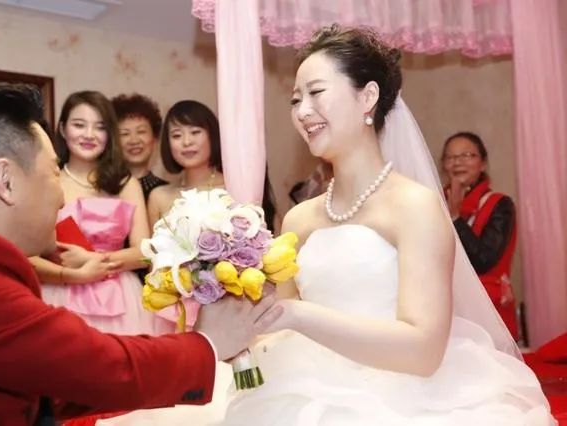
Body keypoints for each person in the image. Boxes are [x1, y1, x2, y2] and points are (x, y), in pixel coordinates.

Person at [102, 25, 554, 425]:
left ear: (367, 97)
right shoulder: (300, 217)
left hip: (403, 395)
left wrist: (300, 316)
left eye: (316, 92)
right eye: (295, 99)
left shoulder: (414, 207)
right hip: (301, 381)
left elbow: (423, 351)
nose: (302, 111)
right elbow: (277, 321)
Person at [0, 81, 281, 426]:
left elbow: (52, 383)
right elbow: (94, 366)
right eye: (53, 173)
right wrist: (208, 343)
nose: (62, 199)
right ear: (6, 180)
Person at [30, 91, 169, 336]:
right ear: (62, 129)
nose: (89, 134)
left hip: (121, 298)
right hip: (58, 293)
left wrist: (93, 260)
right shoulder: (45, 182)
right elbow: (28, 254)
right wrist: (72, 273)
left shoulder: (125, 183)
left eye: (100, 127)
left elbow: (145, 252)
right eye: (79, 125)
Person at [147, 99, 279, 232]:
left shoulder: (236, 189)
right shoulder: (158, 197)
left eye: (195, 132)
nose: (186, 142)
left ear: (213, 135)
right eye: (177, 135)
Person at [441, 131, 518, 340]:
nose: (458, 162)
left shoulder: (500, 204)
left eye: (467, 155)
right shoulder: (432, 201)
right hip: (445, 307)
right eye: (451, 157)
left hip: (488, 309)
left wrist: (455, 218)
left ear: (483, 164)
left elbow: (485, 260)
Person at [111, 93, 170, 201]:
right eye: (124, 134)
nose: (134, 140)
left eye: (141, 131)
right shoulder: (104, 190)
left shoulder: (168, 193)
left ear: (154, 138)